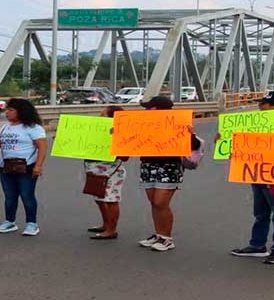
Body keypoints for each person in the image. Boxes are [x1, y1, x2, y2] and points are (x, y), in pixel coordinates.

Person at [229, 91, 274, 264]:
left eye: (264, 103)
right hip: (257, 173)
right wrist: (224, 142)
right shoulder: (254, 124)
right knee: (260, 213)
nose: (260, 106)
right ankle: (257, 245)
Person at [136, 96, 201, 253]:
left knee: (161, 202)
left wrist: (190, 134)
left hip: (169, 166)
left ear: (158, 109)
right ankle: (159, 234)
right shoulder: (145, 124)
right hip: (148, 164)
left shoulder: (177, 123)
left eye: (150, 107)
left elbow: (194, 145)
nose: (146, 110)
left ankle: (167, 238)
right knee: (154, 202)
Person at [0, 98, 47, 237]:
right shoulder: (5, 127)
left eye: (11, 110)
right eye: (7, 110)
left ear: (21, 111)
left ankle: (32, 224)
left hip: (26, 167)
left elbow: (42, 147)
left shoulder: (33, 128)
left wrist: (38, 166)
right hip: (6, 167)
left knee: (27, 195)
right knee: (10, 196)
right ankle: (9, 222)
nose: (7, 113)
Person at [82, 105, 126, 240]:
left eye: (103, 115)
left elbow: (125, 156)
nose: (100, 117)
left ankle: (112, 230)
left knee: (111, 200)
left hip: (112, 171)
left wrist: (115, 139)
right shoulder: (96, 131)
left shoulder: (120, 132)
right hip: (95, 170)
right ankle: (106, 224)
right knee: (99, 199)